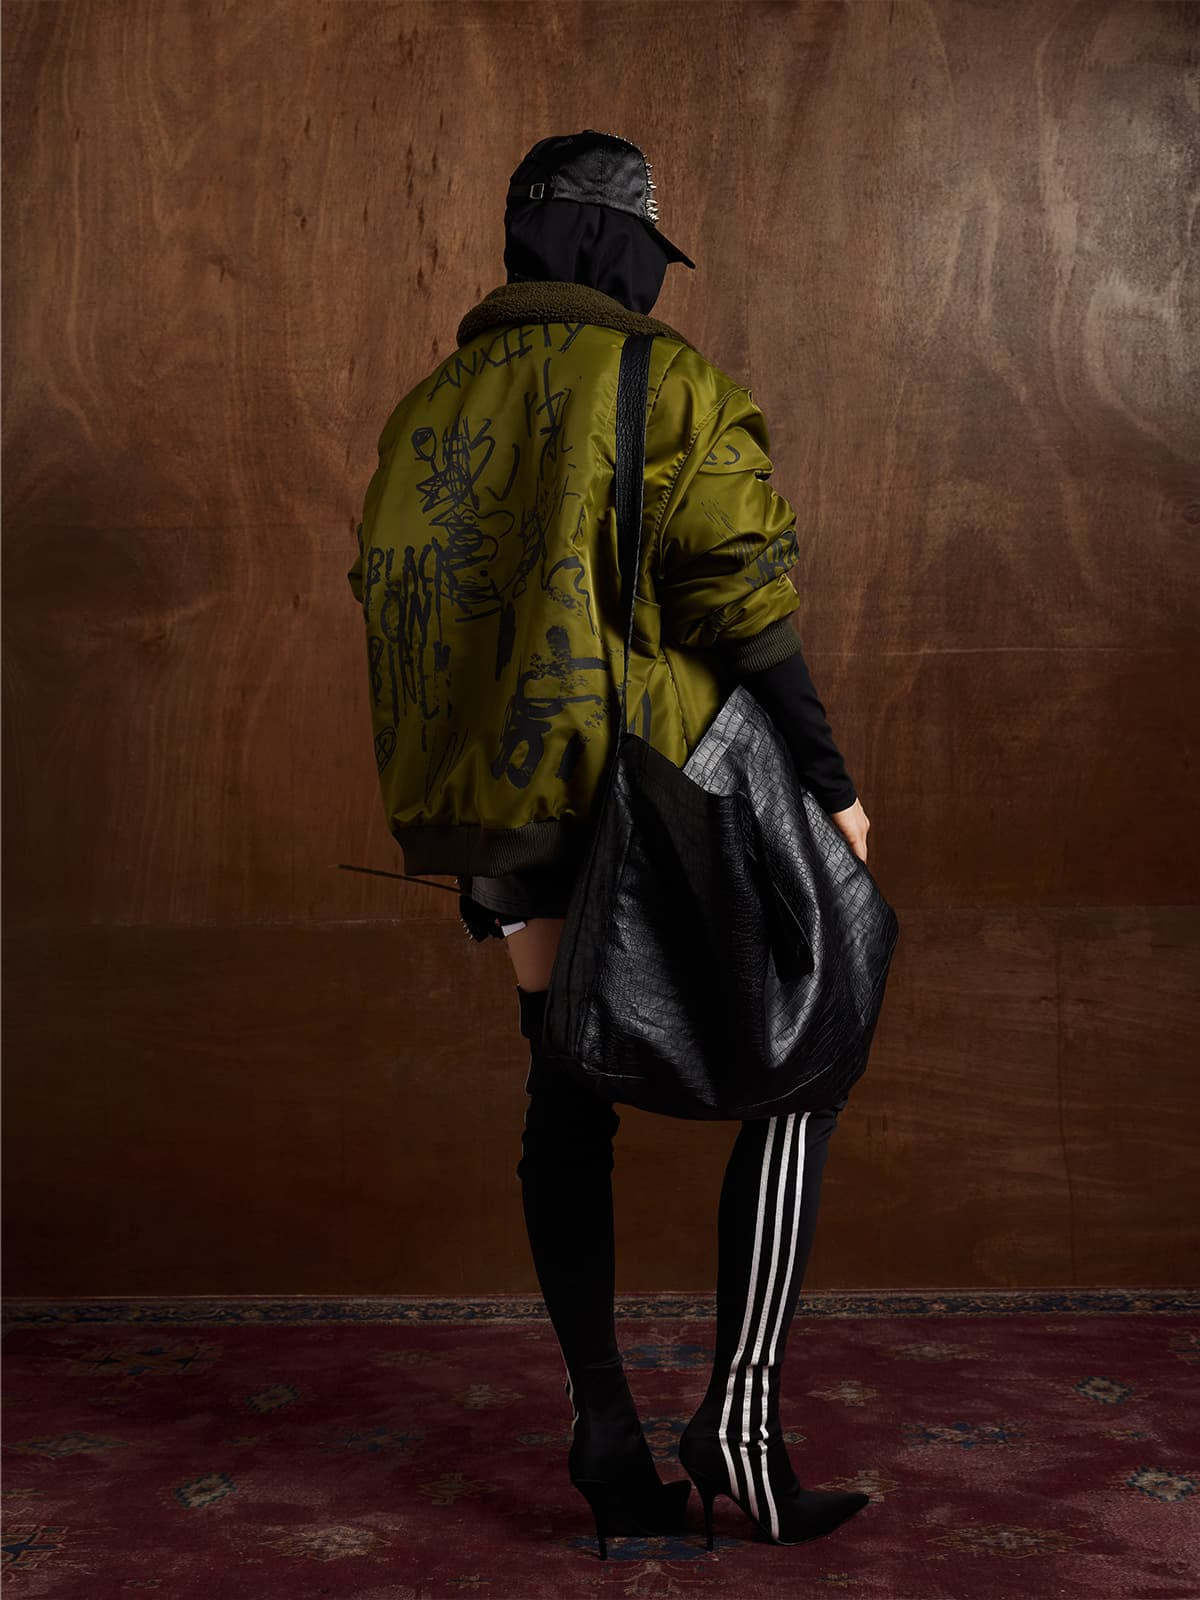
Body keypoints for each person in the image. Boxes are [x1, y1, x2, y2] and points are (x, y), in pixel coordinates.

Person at [347, 130, 871, 1558]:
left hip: (496, 805)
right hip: (647, 788)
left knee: (567, 1094)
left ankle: (604, 1432)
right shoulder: (663, 378)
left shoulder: (428, 404)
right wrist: (827, 779)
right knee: (809, 1056)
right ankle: (740, 1424)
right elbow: (738, 590)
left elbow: (390, 594)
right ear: (613, 244)